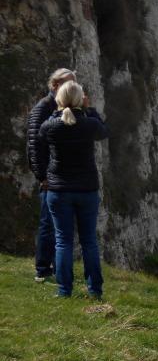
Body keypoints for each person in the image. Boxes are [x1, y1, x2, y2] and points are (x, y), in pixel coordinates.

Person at [39, 81, 108, 298]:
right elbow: (104, 131)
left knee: (63, 241)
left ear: (58, 99)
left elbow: (42, 131)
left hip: (59, 191)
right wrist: (90, 110)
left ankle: (64, 290)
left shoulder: (50, 126)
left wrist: (57, 111)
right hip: (86, 189)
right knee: (89, 241)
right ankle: (95, 290)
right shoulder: (89, 125)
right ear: (81, 99)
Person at [27, 68, 76, 282]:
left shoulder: (61, 108)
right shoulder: (43, 108)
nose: (72, 87)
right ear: (55, 85)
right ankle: (42, 270)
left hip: (62, 178)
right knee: (48, 225)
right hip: (49, 178)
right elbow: (34, 146)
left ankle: (58, 269)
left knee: (60, 226)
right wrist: (42, 177)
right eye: (67, 83)